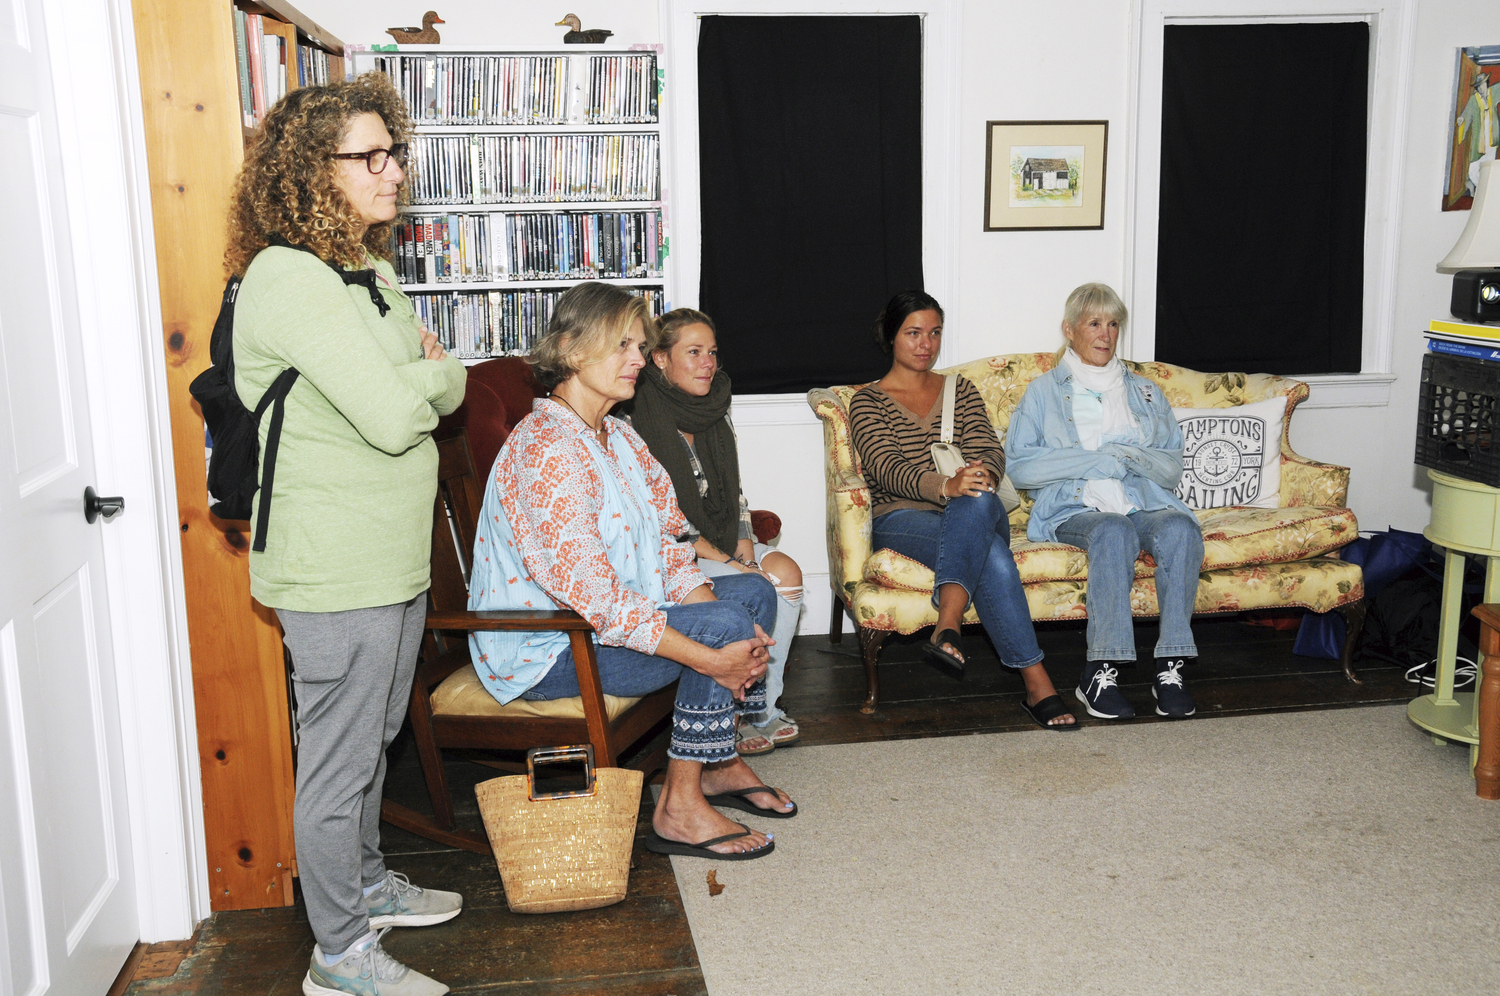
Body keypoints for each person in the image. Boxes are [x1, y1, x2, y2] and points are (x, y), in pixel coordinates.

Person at [228, 75, 468, 996]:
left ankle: (366, 888)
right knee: (336, 763)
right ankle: (339, 958)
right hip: (333, 565)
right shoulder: (289, 277)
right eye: (369, 156)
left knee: (370, 743)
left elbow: (431, 382)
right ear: (307, 173)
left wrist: (428, 380)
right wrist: (429, 380)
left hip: (390, 555)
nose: (393, 170)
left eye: (394, 151)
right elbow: (396, 411)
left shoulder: (368, 270)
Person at [467, 282, 797, 863]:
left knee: (749, 594)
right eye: (621, 345)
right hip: (546, 647)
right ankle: (678, 806)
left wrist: (727, 627)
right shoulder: (547, 448)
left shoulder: (617, 435)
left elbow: (671, 544)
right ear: (570, 350)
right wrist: (712, 650)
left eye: (641, 346)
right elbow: (595, 598)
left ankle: (715, 765)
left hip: (603, 625)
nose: (639, 360)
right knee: (720, 627)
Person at [848, 291, 1077, 730]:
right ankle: (1037, 684)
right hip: (902, 520)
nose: (925, 343)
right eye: (913, 333)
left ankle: (945, 623)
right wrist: (946, 485)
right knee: (990, 553)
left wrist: (979, 475)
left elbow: (990, 450)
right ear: (890, 336)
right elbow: (885, 468)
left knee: (979, 498)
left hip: (977, 509)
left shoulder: (961, 390)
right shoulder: (868, 401)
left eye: (934, 333)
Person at [1006, 282, 1204, 721]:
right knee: (1114, 530)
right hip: (1073, 506)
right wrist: (1096, 461)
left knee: (1180, 528)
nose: (1106, 333)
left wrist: (1126, 455)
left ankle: (1169, 665)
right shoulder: (1043, 392)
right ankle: (1101, 669)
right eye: (1094, 323)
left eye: (1113, 324)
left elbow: (1170, 469)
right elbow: (1021, 467)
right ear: (1069, 330)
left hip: (1141, 500)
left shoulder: (1146, 392)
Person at [629, 308, 804, 756]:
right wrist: (735, 566)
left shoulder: (716, 406)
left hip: (721, 541)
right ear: (660, 359)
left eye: (712, 352)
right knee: (753, 586)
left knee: (784, 571)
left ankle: (763, 703)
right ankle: (741, 715)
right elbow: (661, 518)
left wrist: (746, 556)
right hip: (670, 550)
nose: (708, 363)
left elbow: (735, 495)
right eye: (693, 352)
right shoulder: (633, 416)